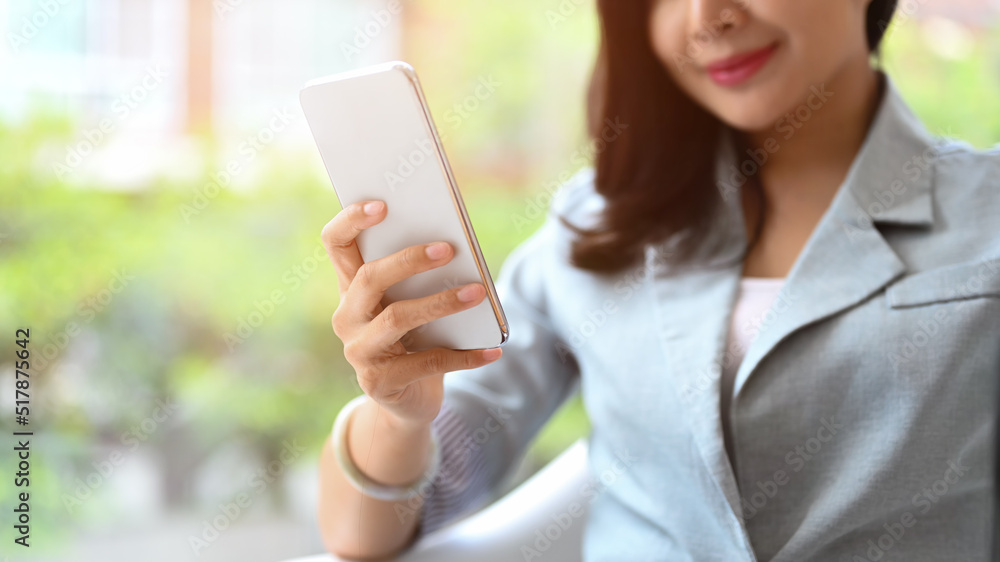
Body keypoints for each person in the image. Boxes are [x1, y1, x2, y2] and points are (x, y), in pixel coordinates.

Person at [316, 0, 1000, 559]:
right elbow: (367, 534)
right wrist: (399, 414)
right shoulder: (595, 230)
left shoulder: (985, 213)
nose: (707, 16)